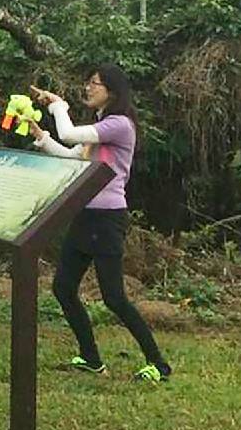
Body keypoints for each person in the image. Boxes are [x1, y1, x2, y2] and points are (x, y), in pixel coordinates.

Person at [32, 66, 173, 384]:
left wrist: (57, 105)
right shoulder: (101, 127)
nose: (88, 88)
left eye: (94, 84)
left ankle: (158, 364)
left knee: (114, 298)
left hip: (107, 219)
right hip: (84, 216)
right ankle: (90, 358)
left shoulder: (119, 126)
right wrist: (41, 137)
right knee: (64, 287)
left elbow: (69, 133)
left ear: (112, 90)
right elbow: (73, 155)